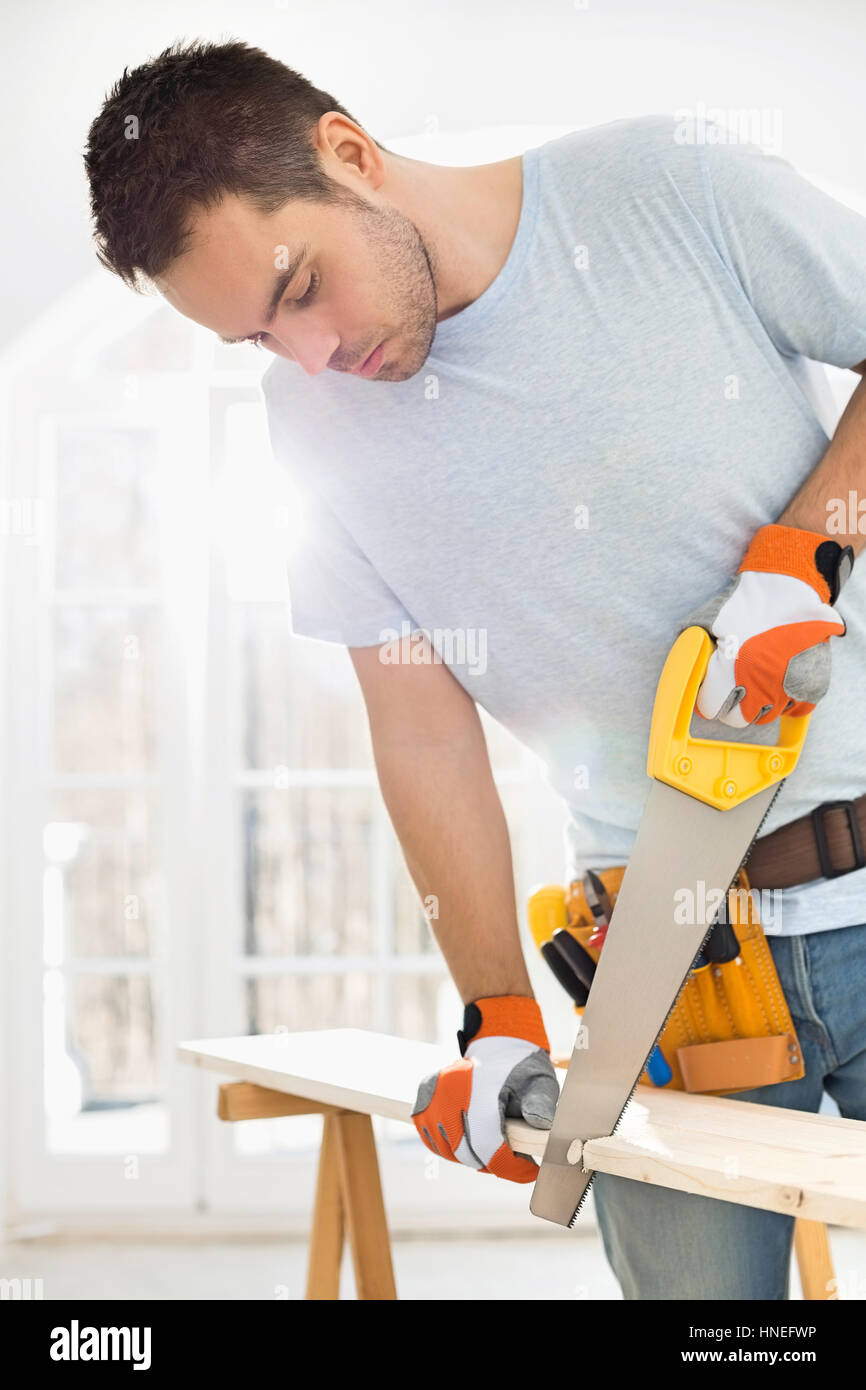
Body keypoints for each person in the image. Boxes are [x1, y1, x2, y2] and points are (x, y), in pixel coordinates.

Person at [84, 39, 866, 1299]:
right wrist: (496, 1007)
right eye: (257, 339)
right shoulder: (313, 435)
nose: (312, 354)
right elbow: (422, 732)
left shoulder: (669, 190)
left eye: (300, 285)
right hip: (669, 954)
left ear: (347, 153)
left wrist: (808, 550)